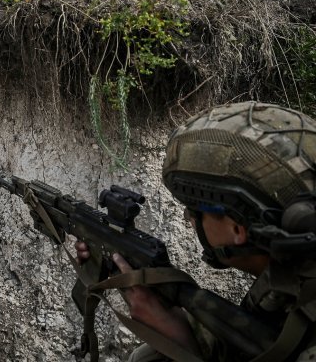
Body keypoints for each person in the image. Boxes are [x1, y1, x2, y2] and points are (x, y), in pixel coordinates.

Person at [76, 101, 316, 361]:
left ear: (237, 228)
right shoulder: (287, 285)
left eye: (193, 210)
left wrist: (180, 344)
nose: (189, 220)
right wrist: (168, 313)